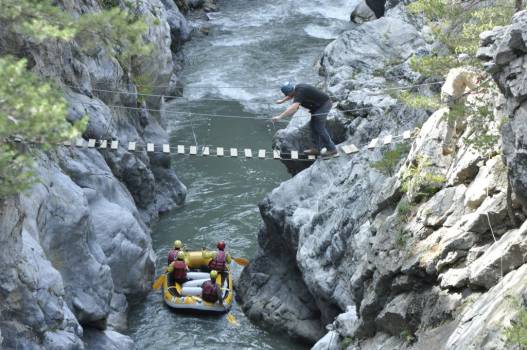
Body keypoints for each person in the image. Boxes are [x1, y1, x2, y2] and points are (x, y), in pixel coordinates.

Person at [272, 82, 338, 157]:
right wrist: (282, 101)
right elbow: (291, 95)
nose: (288, 96)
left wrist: (279, 117)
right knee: (313, 126)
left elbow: (293, 108)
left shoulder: (300, 92)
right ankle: (316, 149)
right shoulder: (296, 89)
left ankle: (332, 149)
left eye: (288, 94)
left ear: (290, 91)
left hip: (324, 105)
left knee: (319, 128)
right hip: (317, 107)